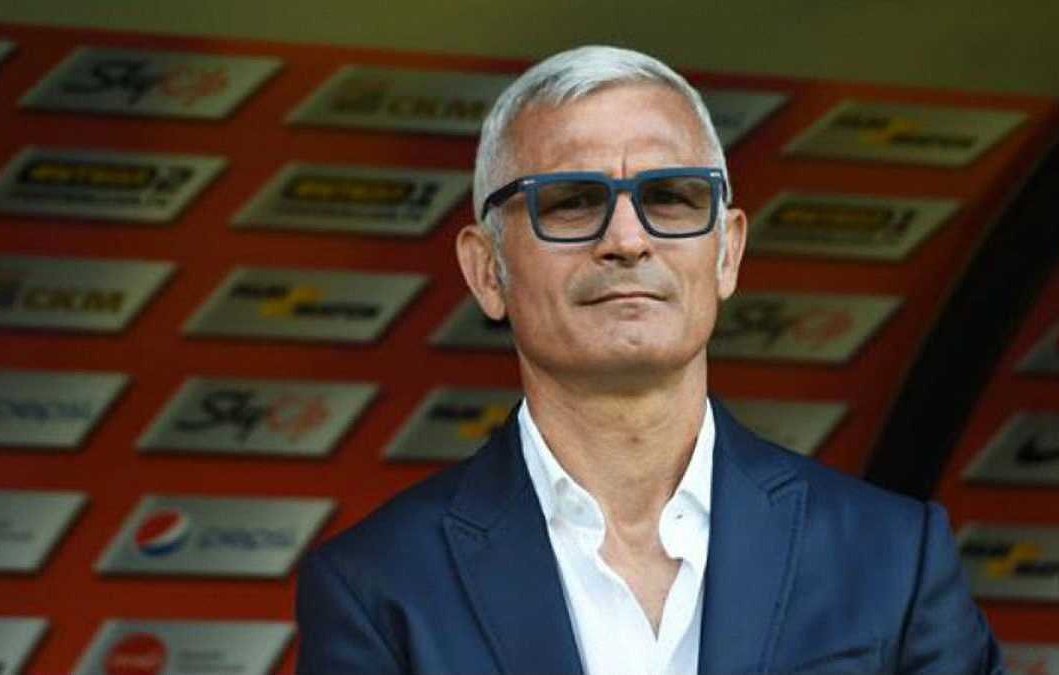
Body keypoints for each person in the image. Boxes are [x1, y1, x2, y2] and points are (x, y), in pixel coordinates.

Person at [296, 45, 1002, 674]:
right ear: (487, 270)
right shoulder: (377, 584)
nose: (628, 239)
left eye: (670, 197)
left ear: (727, 252)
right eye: (571, 202)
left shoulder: (894, 557)